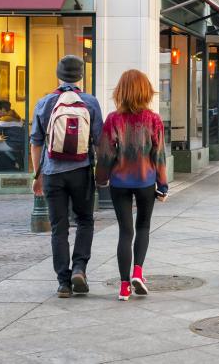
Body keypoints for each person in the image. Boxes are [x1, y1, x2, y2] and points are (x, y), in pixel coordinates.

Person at [30, 55, 103, 298]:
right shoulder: (90, 102)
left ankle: (63, 282)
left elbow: (36, 142)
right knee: (85, 220)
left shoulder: (44, 102)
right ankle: (79, 268)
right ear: (81, 76)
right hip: (81, 171)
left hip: (52, 173)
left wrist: (37, 175)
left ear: (58, 75)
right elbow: (99, 142)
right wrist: (101, 172)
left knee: (59, 228)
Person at [96, 70, 168, 301]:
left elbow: (105, 154)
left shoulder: (113, 119)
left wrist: (101, 179)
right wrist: (162, 185)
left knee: (125, 232)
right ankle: (138, 271)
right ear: (145, 91)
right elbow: (159, 155)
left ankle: (124, 286)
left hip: (120, 182)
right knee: (144, 227)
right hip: (146, 180)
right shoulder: (154, 119)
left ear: (121, 92)